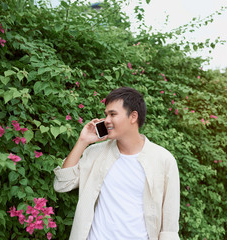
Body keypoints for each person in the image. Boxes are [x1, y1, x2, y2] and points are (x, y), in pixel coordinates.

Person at [53, 87, 181, 240]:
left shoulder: (163, 160)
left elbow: (169, 227)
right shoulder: (96, 153)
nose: (106, 120)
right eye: (106, 114)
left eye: (113, 114)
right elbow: (62, 184)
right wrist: (83, 141)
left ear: (133, 117)